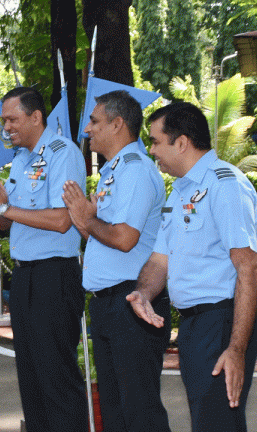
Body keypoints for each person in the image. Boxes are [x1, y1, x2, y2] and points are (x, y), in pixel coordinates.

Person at [127, 102, 257, 432]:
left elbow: (248, 267)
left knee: (218, 423)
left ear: (182, 143)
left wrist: (236, 349)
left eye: (155, 141)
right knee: (206, 421)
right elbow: (160, 259)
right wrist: (143, 293)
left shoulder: (225, 184)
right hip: (194, 327)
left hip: (221, 321)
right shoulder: (181, 191)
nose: (151, 150)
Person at [0, 87, 88, 432]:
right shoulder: (22, 159)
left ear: (36, 117)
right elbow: (6, 223)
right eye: (3, 121)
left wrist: (5, 207)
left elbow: (62, 220)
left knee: (56, 376)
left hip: (54, 276)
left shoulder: (62, 153)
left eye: (12, 119)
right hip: (24, 277)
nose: (6, 127)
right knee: (31, 376)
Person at [62, 90, 171, 432]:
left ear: (117, 124)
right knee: (115, 410)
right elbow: (104, 237)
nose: (87, 129)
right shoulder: (114, 170)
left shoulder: (134, 170)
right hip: (110, 302)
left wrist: (86, 218)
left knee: (139, 411)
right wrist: (86, 221)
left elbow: (124, 239)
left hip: (132, 301)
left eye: (94, 121)